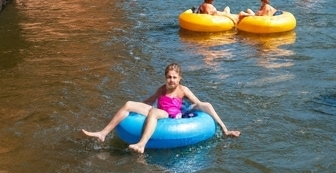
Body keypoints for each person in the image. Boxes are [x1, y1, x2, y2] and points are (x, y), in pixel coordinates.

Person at [82, 63, 239, 153]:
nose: (171, 80)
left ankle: (141, 144)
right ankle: (103, 133)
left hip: (172, 116)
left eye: (174, 77)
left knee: (206, 104)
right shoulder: (162, 89)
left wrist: (198, 110)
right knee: (129, 104)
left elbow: (197, 103)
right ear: (165, 78)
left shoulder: (183, 90)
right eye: (169, 77)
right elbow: (150, 100)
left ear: (179, 78)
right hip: (159, 112)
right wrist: (135, 110)